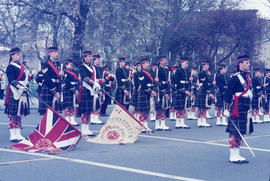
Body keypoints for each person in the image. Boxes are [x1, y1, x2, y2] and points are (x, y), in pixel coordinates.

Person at [224, 55, 253, 164]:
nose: (248, 64)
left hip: (245, 107)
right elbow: (228, 93)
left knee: (240, 132)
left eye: (249, 62)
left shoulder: (248, 76)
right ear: (240, 64)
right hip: (236, 107)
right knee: (234, 132)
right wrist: (226, 109)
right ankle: (232, 155)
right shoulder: (235, 78)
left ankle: (237, 154)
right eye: (247, 62)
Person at [4, 47, 30, 142]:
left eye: (20, 54)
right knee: (13, 114)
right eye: (18, 54)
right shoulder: (10, 67)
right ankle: (13, 134)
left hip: (22, 91)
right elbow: (12, 80)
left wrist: (26, 86)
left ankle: (18, 134)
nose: (20, 56)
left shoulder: (22, 66)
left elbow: (25, 79)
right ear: (12, 56)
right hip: (14, 91)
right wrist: (20, 86)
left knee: (19, 114)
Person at [39, 47, 63, 115]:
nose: (57, 54)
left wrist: (61, 75)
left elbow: (58, 78)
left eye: (57, 52)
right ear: (50, 53)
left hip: (57, 86)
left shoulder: (58, 64)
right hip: (49, 87)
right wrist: (54, 91)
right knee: (48, 112)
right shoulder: (45, 64)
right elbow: (46, 78)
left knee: (56, 112)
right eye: (55, 52)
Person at [78, 50, 96, 136]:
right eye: (88, 56)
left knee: (89, 110)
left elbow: (95, 78)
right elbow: (84, 78)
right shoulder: (82, 67)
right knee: (85, 110)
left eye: (90, 56)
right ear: (84, 58)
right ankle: (83, 128)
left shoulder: (93, 68)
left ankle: (87, 128)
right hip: (86, 89)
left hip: (92, 91)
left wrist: (98, 83)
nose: (90, 58)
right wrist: (94, 83)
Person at [136, 58, 157, 132]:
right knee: (142, 111)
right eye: (147, 63)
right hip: (143, 93)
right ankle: (140, 126)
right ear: (143, 64)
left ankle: (145, 126)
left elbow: (151, 83)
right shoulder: (140, 73)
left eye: (148, 63)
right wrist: (150, 91)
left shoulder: (149, 73)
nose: (148, 65)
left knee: (147, 111)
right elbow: (143, 85)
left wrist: (153, 89)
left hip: (148, 93)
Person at [174, 58, 191, 129]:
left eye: (187, 63)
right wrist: (183, 90)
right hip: (180, 89)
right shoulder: (178, 71)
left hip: (186, 88)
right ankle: (177, 122)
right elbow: (177, 81)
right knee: (179, 107)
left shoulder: (187, 71)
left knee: (183, 107)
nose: (187, 64)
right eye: (186, 63)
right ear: (182, 63)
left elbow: (188, 82)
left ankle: (182, 122)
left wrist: (188, 89)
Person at [196, 60, 214, 127]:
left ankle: (203, 121)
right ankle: (199, 121)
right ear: (203, 66)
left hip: (206, 91)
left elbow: (208, 83)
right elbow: (204, 83)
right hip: (202, 90)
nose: (208, 66)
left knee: (204, 107)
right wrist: (209, 91)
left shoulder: (206, 73)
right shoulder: (201, 73)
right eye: (207, 65)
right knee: (201, 107)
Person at [155, 56, 171, 131]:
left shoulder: (166, 69)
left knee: (164, 108)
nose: (165, 62)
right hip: (160, 91)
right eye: (164, 60)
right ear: (160, 61)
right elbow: (159, 83)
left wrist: (168, 81)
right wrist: (164, 92)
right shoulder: (158, 70)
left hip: (166, 88)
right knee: (159, 108)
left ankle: (163, 124)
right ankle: (157, 124)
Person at [63, 59, 80, 126]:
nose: (71, 65)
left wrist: (77, 88)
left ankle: (72, 119)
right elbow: (67, 82)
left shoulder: (74, 72)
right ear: (66, 65)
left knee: (73, 105)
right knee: (68, 106)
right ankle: (67, 119)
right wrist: (74, 90)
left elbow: (76, 81)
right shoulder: (65, 72)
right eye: (70, 64)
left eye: (71, 64)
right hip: (68, 90)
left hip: (74, 89)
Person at [90, 54, 104, 124]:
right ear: (94, 60)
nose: (99, 61)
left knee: (98, 102)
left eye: (99, 59)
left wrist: (102, 81)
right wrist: (99, 81)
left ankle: (96, 117)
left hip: (99, 86)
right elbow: (93, 79)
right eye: (98, 60)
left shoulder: (100, 68)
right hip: (94, 87)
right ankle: (92, 118)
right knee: (93, 103)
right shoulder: (92, 68)